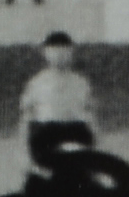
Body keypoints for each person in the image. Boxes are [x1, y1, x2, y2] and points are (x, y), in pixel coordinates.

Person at [18, 29, 98, 193]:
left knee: (81, 182)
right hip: (46, 135)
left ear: (71, 53)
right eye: (55, 51)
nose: (60, 56)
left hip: (75, 132)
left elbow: (91, 118)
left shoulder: (81, 83)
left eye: (65, 51)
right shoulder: (37, 83)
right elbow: (27, 118)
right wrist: (24, 154)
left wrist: (96, 151)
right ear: (45, 53)